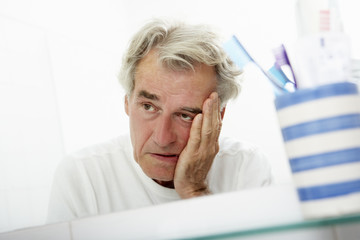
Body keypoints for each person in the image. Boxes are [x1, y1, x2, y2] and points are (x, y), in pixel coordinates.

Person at [46, 18, 272, 223]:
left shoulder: (246, 167)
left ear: (218, 118)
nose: (163, 138)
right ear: (127, 102)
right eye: (148, 107)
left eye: (185, 115)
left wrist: (195, 191)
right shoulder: (83, 176)